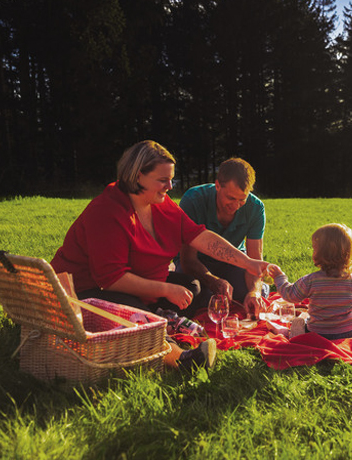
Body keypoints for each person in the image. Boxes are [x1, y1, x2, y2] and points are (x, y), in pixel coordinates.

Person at [51, 141, 270, 369]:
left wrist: (247, 262)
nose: (170, 186)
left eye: (171, 179)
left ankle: (156, 319)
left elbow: (200, 237)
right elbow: (111, 279)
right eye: (162, 180)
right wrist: (165, 289)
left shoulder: (161, 204)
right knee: (133, 310)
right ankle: (181, 359)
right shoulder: (107, 211)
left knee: (192, 287)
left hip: (132, 282)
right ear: (137, 177)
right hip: (85, 293)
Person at [268, 224, 352, 340]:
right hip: (350, 331)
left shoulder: (311, 280)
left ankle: (285, 332)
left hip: (317, 333)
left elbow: (290, 295)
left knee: (299, 322)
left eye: (314, 249)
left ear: (320, 254)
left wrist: (280, 278)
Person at [177, 158, 266, 318]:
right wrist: (213, 281)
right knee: (194, 295)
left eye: (242, 199)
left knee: (249, 295)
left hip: (234, 263)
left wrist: (255, 291)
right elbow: (188, 260)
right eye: (231, 198)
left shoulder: (255, 208)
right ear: (217, 185)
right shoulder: (193, 200)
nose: (236, 205)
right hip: (196, 263)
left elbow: (254, 260)